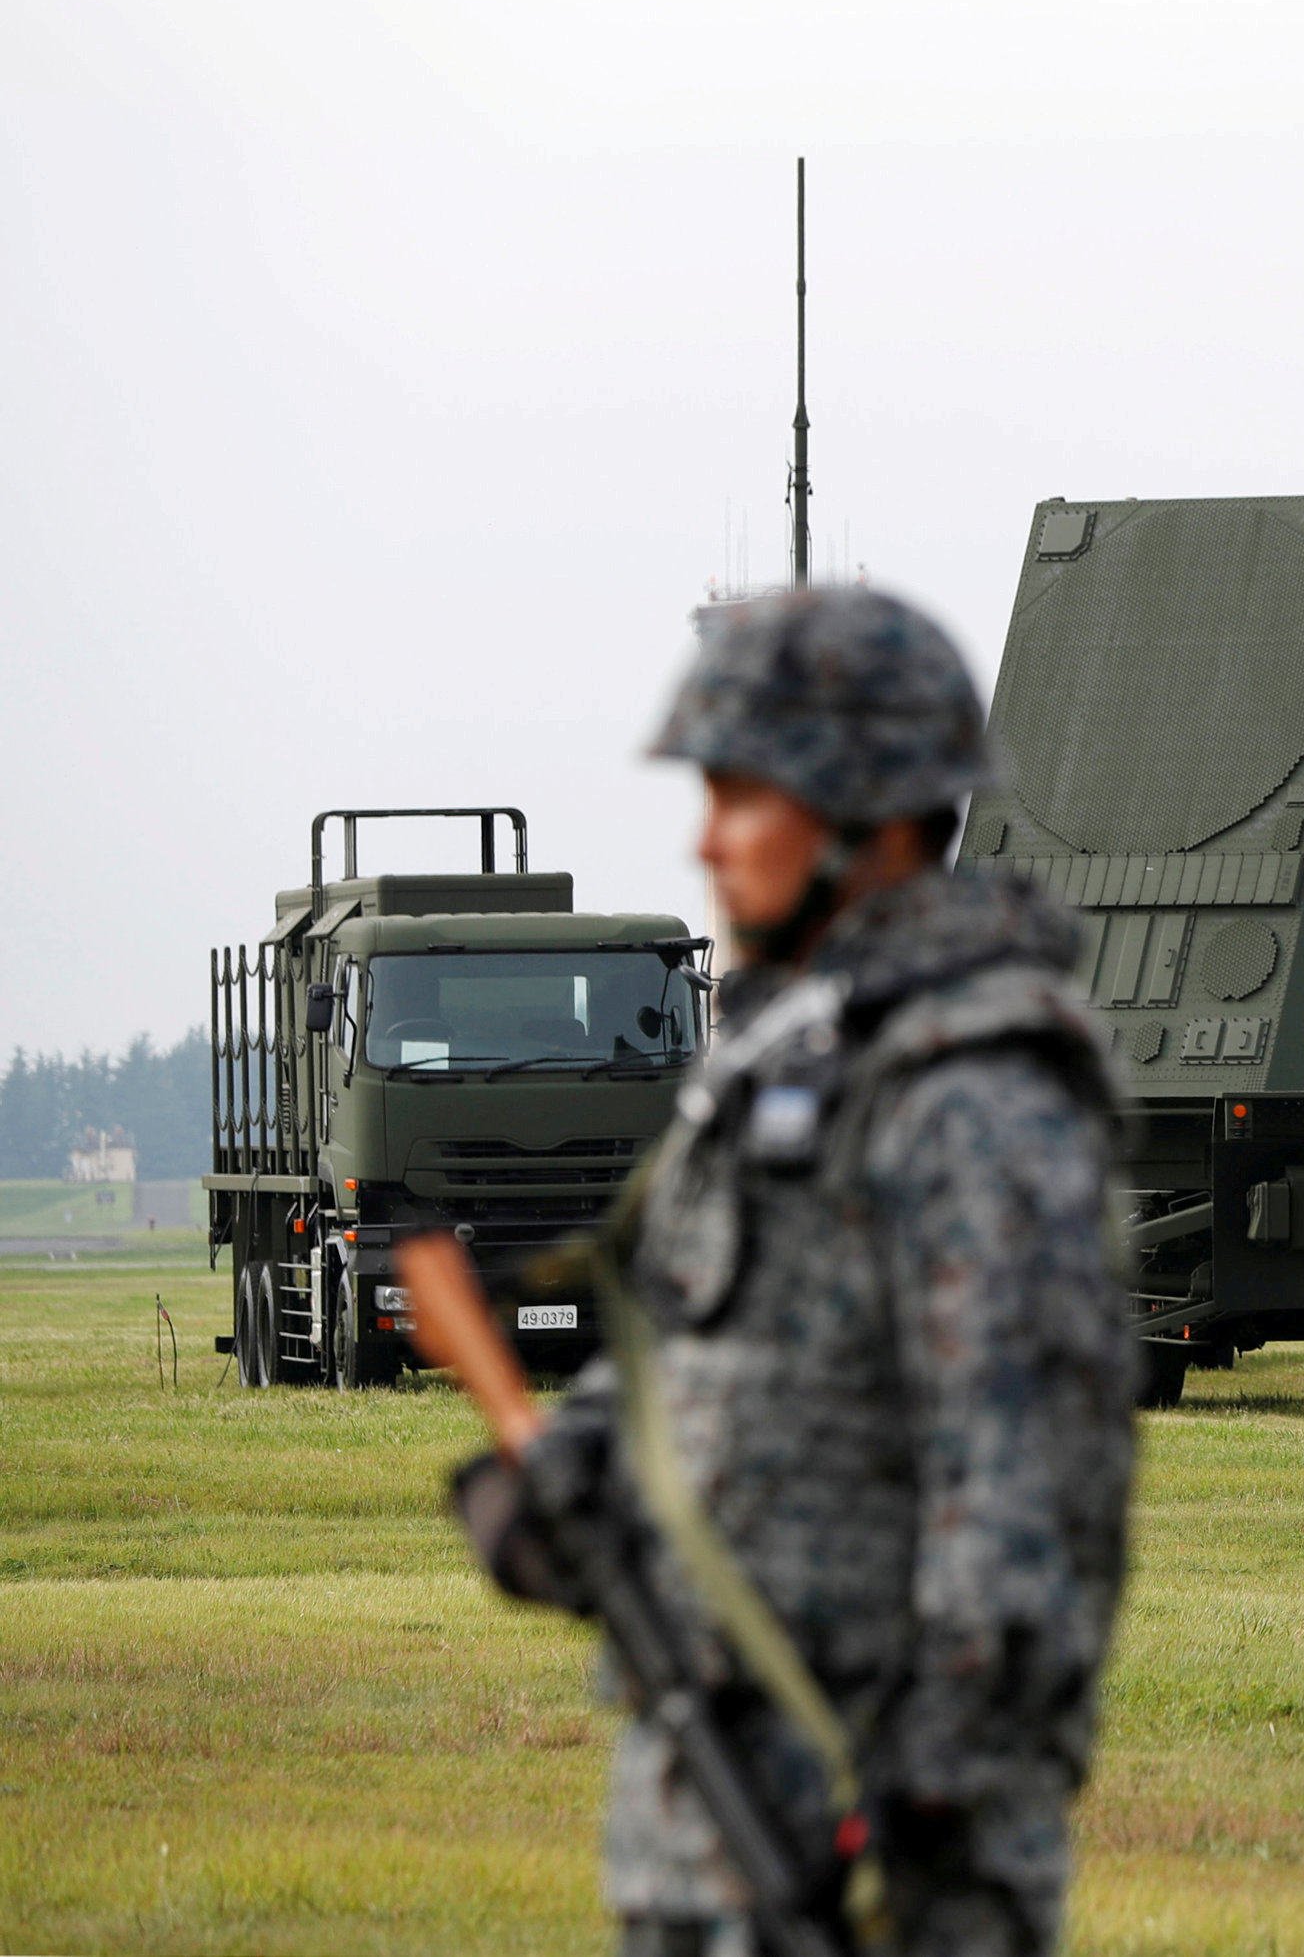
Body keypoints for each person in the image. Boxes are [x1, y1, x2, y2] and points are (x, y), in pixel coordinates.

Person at [455, 587, 1138, 1957]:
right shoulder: (778, 1070)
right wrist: (582, 1473)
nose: (707, 839)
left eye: (743, 797)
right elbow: (701, 1355)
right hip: (702, 1840)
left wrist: (924, 1829)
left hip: (872, 1868)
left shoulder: (970, 1093)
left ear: (869, 819)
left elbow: (1025, 1505)